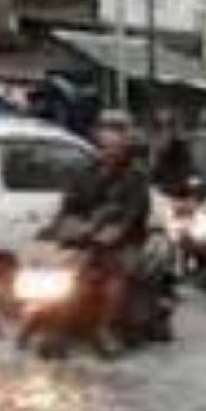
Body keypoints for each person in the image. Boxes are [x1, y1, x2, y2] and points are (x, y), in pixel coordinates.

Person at [52, 112, 153, 354]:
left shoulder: (135, 178)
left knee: (116, 273)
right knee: (58, 267)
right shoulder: (84, 173)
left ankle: (106, 327)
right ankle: (52, 320)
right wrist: (62, 226)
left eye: (114, 144)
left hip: (123, 241)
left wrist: (113, 232)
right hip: (85, 239)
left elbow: (132, 214)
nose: (108, 150)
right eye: (104, 144)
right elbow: (69, 205)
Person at [152, 110, 196, 199]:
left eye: (169, 125)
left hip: (178, 197)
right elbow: (153, 179)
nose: (164, 131)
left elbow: (186, 178)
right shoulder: (155, 151)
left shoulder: (181, 149)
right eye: (159, 126)